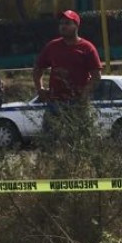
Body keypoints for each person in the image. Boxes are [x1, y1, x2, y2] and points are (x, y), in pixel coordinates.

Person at [33, 10, 102, 146]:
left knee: (80, 143)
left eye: (67, 23)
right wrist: (40, 89)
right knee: (48, 143)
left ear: (76, 25)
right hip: (55, 102)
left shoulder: (87, 48)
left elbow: (96, 76)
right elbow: (38, 69)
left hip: (78, 104)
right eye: (61, 23)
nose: (63, 26)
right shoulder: (52, 46)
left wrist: (84, 94)